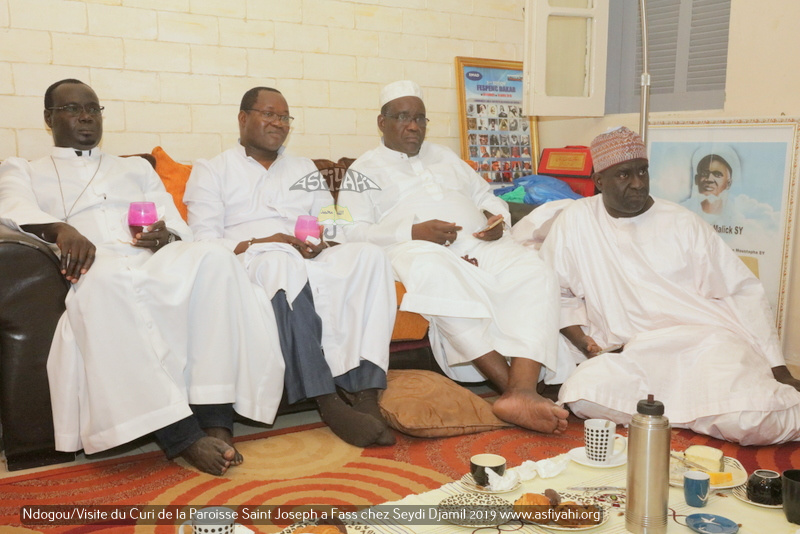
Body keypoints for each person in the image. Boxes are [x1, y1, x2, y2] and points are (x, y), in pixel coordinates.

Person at [0, 79, 286, 475]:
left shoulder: (134, 168)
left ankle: (216, 416)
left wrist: (164, 235)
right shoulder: (25, 169)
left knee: (214, 259)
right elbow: (12, 207)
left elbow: (172, 219)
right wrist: (61, 230)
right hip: (94, 266)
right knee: (109, 282)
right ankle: (181, 436)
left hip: (151, 260)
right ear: (48, 119)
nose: (85, 115)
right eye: (72, 109)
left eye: (93, 108)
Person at [539, 126, 800, 445]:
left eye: (642, 171)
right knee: (583, 395)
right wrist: (585, 344)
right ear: (599, 181)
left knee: (752, 419)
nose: (637, 183)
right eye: (624, 175)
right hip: (633, 350)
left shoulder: (683, 223)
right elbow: (558, 292)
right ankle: (698, 415)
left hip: (702, 343)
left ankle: (697, 413)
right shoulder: (577, 220)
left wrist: (778, 366)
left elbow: (742, 292)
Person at [337, 80, 568, 434]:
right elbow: (346, 231)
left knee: (535, 271)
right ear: (382, 123)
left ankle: (520, 392)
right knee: (433, 270)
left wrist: (497, 220)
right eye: (402, 117)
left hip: (480, 244)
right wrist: (411, 232)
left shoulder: (445, 156)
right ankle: (515, 389)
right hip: (416, 249)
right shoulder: (362, 171)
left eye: (420, 118)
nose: (413, 126)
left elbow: (487, 196)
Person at [184, 87, 397, 448]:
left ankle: (366, 393)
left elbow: (331, 221)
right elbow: (202, 241)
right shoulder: (211, 170)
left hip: (305, 256)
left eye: (284, 117)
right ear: (242, 117)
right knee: (278, 263)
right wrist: (264, 241)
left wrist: (320, 242)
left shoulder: (303, 168)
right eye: (268, 114)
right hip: (250, 259)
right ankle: (327, 401)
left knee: (370, 256)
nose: (277, 123)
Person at [680, 145, 742, 224]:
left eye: (717, 174)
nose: (709, 179)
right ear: (696, 179)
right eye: (704, 173)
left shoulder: (737, 218)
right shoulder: (681, 211)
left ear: (728, 183)